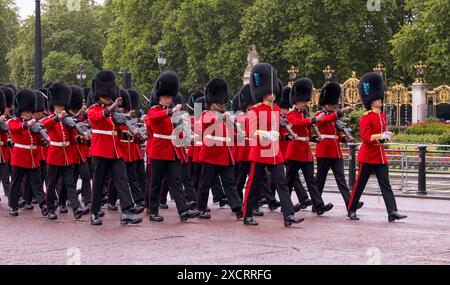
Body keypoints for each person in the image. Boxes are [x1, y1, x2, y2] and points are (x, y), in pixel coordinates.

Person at [242, 63, 303, 227]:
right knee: (253, 185)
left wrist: (286, 137)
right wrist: (268, 135)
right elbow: (251, 133)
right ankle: (247, 214)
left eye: (274, 91)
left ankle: (288, 215)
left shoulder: (276, 110)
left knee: (282, 184)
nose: (273, 94)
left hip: (275, 154)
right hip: (260, 153)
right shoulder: (255, 110)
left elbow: (278, 131)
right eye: (269, 92)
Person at [347, 72, 407, 222]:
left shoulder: (383, 117)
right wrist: (380, 137)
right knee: (360, 185)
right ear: (370, 100)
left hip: (380, 157)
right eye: (376, 99)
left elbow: (380, 140)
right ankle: (351, 209)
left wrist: (385, 137)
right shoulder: (366, 117)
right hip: (367, 157)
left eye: (380, 98)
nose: (379, 100)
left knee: (386, 185)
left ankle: (392, 211)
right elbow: (366, 139)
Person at [87, 70, 143, 226]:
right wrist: (113, 106)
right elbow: (101, 116)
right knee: (98, 183)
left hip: (115, 150)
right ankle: (94, 213)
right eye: (105, 96)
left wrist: (131, 134)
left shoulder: (114, 112)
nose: (107, 98)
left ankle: (126, 211)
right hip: (100, 150)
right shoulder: (92, 109)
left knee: (122, 179)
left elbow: (118, 131)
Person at [146, 71, 200, 222]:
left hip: (172, 150)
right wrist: (170, 111)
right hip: (158, 151)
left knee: (176, 181)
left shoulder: (170, 114)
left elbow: (176, 132)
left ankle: (183, 211)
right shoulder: (154, 110)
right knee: (156, 183)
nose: (169, 99)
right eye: (167, 97)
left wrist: (189, 137)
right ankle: (153, 211)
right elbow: (155, 118)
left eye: (170, 97)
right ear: (159, 96)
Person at [284, 78, 334, 216]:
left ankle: (319, 205)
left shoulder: (303, 114)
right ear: (296, 101)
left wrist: (314, 138)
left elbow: (306, 133)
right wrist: (313, 120)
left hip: (305, 153)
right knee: (288, 181)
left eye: (306, 101)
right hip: (294, 153)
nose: (305, 104)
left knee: (311, 181)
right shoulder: (290, 115)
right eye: (303, 101)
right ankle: (286, 205)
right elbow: (298, 124)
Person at [196, 78, 243, 220]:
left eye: (223, 103)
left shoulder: (224, 117)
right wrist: (222, 118)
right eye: (218, 103)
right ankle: (201, 208)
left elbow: (230, 134)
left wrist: (240, 134)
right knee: (205, 182)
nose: (222, 105)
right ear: (211, 103)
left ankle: (237, 207)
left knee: (229, 182)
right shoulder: (205, 115)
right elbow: (207, 122)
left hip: (224, 154)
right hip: (210, 153)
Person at [314, 82, 363, 212]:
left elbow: (336, 133)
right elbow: (325, 121)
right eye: (331, 105)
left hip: (336, 153)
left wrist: (344, 138)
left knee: (341, 179)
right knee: (320, 180)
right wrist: (340, 112)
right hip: (324, 152)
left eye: (334, 105)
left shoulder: (333, 117)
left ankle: (350, 204)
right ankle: (317, 205)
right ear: (324, 104)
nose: (333, 107)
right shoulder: (319, 116)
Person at [7, 89, 48, 217]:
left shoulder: (34, 124)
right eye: (26, 112)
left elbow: (37, 139)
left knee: (37, 184)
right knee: (16, 183)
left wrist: (44, 141)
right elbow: (16, 128)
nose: (28, 114)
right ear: (20, 111)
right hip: (20, 157)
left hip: (33, 158)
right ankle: (13, 206)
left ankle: (44, 206)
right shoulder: (13, 122)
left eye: (30, 112)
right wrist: (27, 124)